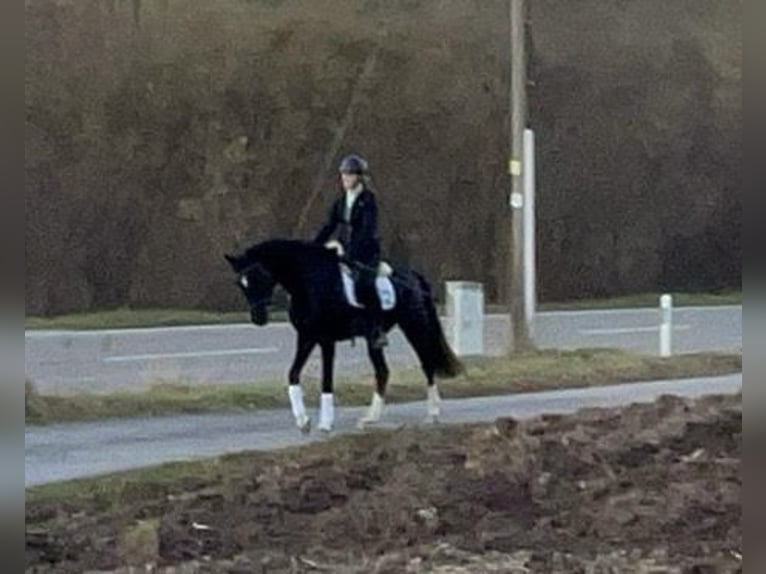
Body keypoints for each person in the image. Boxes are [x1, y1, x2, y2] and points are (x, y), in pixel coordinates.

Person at [314, 153, 388, 348]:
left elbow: (366, 231)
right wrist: (312, 247)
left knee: (364, 284)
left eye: (350, 174)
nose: (345, 178)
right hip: (344, 250)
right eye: (343, 174)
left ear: (359, 177)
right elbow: (329, 226)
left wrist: (350, 254)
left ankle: (377, 329)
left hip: (366, 253)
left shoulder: (368, 200)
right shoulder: (340, 202)